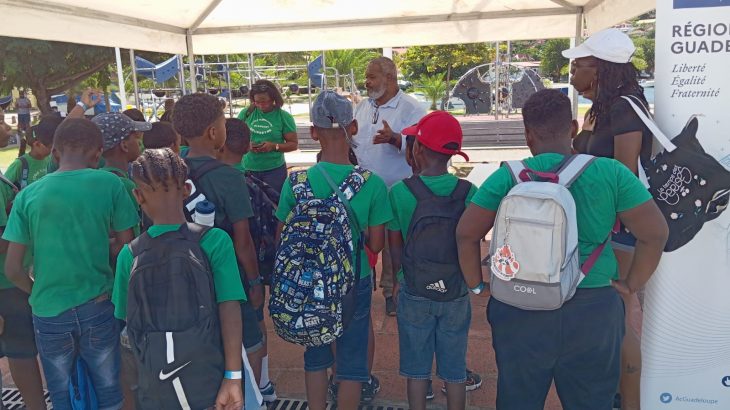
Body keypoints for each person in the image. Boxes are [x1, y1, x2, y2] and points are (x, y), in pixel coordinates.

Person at [455, 89, 668, 410]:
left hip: (520, 306)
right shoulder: (611, 172)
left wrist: (477, 286)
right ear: (572, 128)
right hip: (593, 307)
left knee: (518, 400)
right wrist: (630, 284)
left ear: (528, 134)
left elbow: (465, 234)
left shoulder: (507, 176)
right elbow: (655, 233)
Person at [3, 118, 139, 409]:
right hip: (98, 304)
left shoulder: (27, 196)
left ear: (54, 153)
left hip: (49, 312)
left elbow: (12, 269)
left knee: (63, 395)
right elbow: (127, 249)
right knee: (110, 391)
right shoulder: (111, 184)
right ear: (98, 153)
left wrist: (39, 292)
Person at [275, 91, 391, 410]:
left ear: (313, 132)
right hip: (354, 280)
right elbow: (377, 245)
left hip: (307, 283)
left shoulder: (296, 183)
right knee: (351, 361)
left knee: (315, 355)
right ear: (353, 127)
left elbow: (281, 237)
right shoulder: (372, 184)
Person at [112, 148, 244, 409]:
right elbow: (230, 307)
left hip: (155, 387)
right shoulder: (215, 241)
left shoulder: (129, 254)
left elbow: (126, 321)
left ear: (138, 196)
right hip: (208, 379)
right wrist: (233, 377)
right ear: (186, 190)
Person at [562, 27, 652, 410]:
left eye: (578, 66)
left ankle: (628, 402)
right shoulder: (601, 109)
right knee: (609, 317)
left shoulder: (624, 108)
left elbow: (624, 176)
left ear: (598, 68)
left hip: (619, 230)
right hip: (602, 227)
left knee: (621, 315)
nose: (572, 74)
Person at [172, 93, 268, 398]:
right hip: (227, 276)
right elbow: (243, 240)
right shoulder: (229, 177)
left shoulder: (172, 172)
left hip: (184, 275)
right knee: (250, 341)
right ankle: (248, 396)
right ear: (214, 132)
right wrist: (254, 281)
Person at [388, 111, 475, 410]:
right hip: (455, 290)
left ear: (418, 150)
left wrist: (397, 280)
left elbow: (395, 245)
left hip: (414, 289)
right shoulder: (469, 192)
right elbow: (472, 241)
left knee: (416, 371)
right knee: (455, 370)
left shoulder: (400, 192)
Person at [353, 57, 426, 316]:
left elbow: (421, 146)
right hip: (365, 189)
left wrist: (396, 139)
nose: (367, 82)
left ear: (390, 78)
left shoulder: (411, 108)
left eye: (372, 77)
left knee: (394, 243)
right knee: (363, 241)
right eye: (367, 77)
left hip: (395, 189)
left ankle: (392, 291)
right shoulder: (362, 107)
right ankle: (359, 287)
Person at [0, 117, 45, 410]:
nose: (8, 127)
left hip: (10, 281)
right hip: (6, 285)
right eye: (0, 122)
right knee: (21, 351)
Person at [94, 112, 150, 236]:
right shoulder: (125, 185)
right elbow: (132, 238)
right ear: (124, 145)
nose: (139, 142)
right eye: (135, 137)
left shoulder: (98, 178)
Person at [237, 80, 298, 193]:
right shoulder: (246, 113)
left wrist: (274, 146)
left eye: (265, 101)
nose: (261, 105)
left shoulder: (284, 117)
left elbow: (293, 144)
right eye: (257, 102)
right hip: (248, 169)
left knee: (274, 201)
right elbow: (235, 136)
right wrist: (247, 145)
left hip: (274, 171)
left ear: (274, 98)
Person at [5, 115, 60, 189]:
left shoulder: (51, 160)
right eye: (50, 147)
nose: (53, 150)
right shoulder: (19, 164)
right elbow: (4, 186)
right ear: (37, 144)